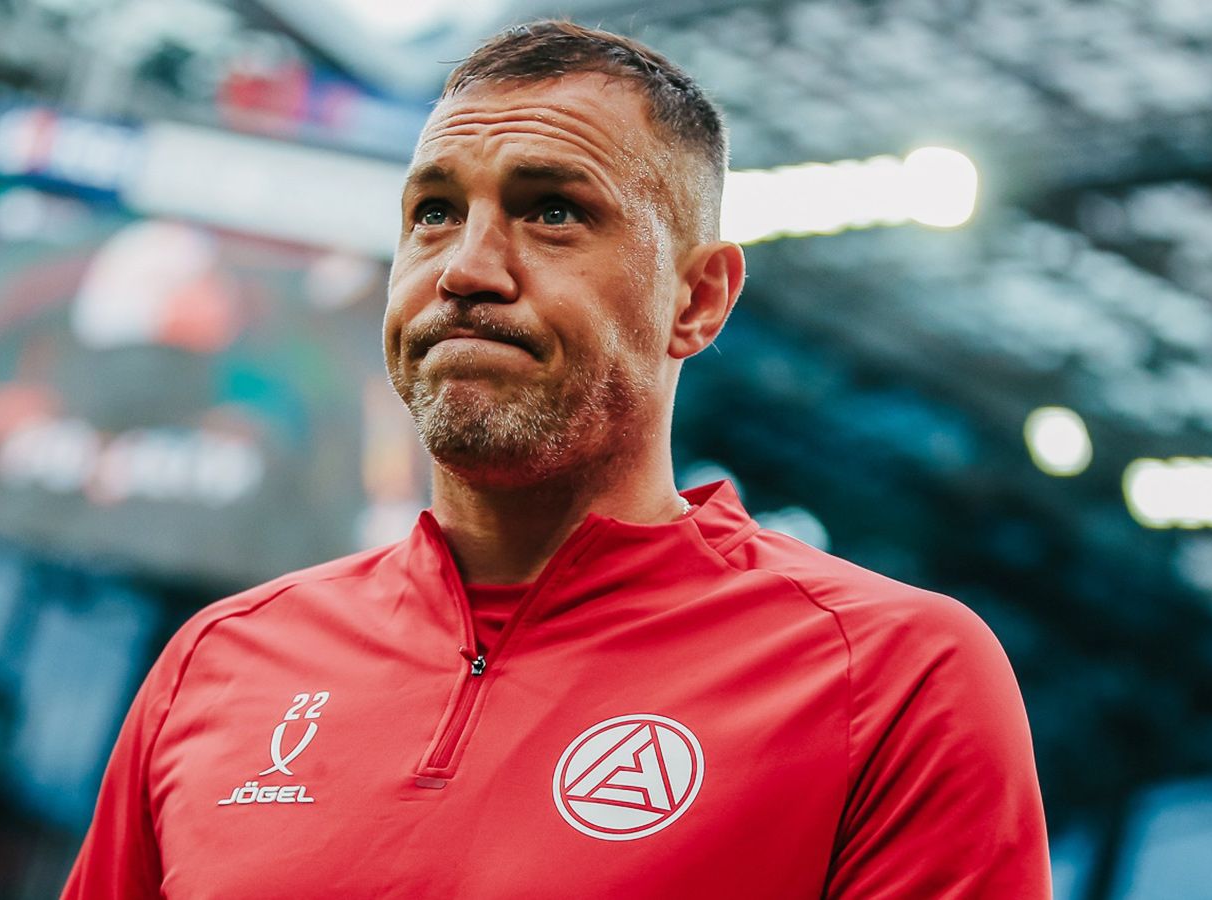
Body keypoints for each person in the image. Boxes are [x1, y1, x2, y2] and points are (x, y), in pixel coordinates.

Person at [62, 20, 1051, 899]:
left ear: (698, 299)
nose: (465, 269)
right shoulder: (219, 663)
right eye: (433, 212)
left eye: (552, 212)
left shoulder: (891, 679)